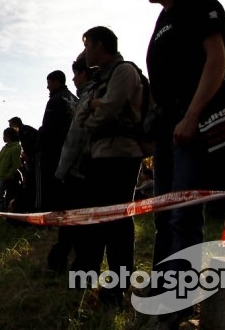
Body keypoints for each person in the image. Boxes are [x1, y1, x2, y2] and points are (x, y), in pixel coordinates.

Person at [141, 0, 225, 316]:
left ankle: (178, 302)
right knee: (163, 213)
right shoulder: (161, 20)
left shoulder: (199, 5)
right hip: (168, 130)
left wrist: (191, 116)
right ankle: (163, 288)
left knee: (184, 216)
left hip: (194, 124)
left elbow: (216, 62)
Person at [76, 26, 145, 306]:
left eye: (87, 45)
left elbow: (107, 111)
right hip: (99, 156)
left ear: (101, 45)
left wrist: (94, 112)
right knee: (96, 220)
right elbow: (82, 115)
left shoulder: (124, 72)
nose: (84, 51)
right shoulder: (100, 79)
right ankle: (88, 279)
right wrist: (93, 109)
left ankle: (117, 288)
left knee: (117, 221)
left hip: (121, 155)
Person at [48, 55, 95, 274]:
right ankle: (68, 262)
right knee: (77, 220)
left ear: (84, 74)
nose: (73, 79)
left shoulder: (86, 97)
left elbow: (75, 137)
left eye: (76, 74)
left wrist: (60, 172)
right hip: (87, 166)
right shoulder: (77, 98)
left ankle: (69, 265)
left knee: (72, 220)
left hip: (77, 168)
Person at [37, 70, 76, 211]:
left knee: (49, 184)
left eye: (49, 83)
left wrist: (40, 143)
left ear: (56, 82)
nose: (48, 87)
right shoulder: (74, 99)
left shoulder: (55, 100)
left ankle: (48, 216)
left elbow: (47, 128)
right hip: (70, 149)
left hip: (52, 149)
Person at [8, 116, 38, 210]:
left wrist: (28, 157)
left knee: (31, 182)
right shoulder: (27, 129)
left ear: (15, 124)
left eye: (10, 126)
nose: (10, 128)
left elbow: (29, 145)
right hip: (36, 158)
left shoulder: (23, 131)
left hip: (35, 160)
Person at [0, 127, 23, 212]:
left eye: (4, 135)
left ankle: (1, 211)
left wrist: (10, 174)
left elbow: (16, 164)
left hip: (4, 176)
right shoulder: (4, 148)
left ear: (8, 136)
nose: (3, 137)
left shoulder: (16, 148)